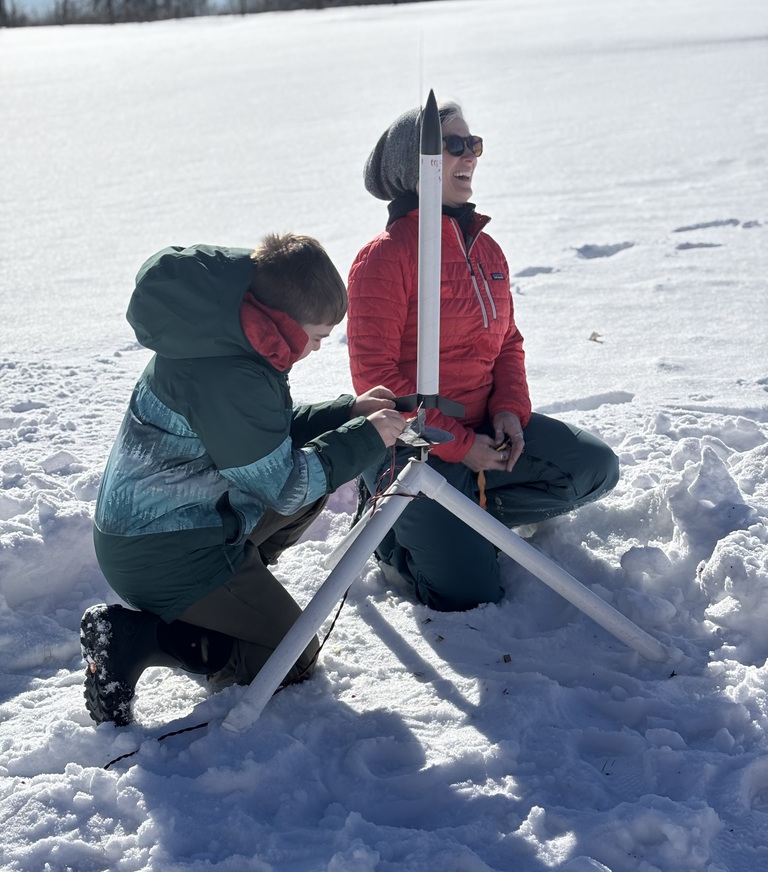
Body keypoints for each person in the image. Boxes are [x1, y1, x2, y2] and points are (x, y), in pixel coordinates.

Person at [81, 234, 406, 726]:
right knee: (290, 661)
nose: (319, 348)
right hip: (166, 554)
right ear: (283, 320)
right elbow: (284, 484)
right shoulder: (229, 374)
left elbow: (260, 438)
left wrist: (349, 412)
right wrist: (364, 438)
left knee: (312, 484)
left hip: (176, 527)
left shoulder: (226, 330)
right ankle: (140, 639)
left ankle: (234, 593)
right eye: (317, 336)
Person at [347, 100, 620, 612]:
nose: (470, 155)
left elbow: (508, 344)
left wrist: (508, 414)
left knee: (594, 468)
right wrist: (461, 446)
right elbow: (376, 383)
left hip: (485, 432)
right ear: (418, 163)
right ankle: (390, 539)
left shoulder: (487, 250)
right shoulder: (384, 256)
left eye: (474, 144)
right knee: (469, 595)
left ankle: (463, 520)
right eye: (454, 145)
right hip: (416, 450)